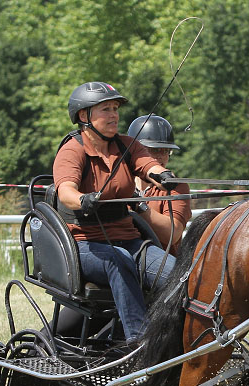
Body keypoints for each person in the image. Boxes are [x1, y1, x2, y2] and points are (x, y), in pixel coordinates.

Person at [52, 82, 178, 342]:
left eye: (116, 109)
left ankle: (177, 340)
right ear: (84, 116)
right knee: (118, 260)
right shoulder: (72, 150)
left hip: (130, 240)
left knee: (178, 275)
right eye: (105, 109)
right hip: (85, 245)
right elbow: (65, 191)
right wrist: (82, 199)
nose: (114, 115)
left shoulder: (126, 145)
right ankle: (138, 343)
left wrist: (162, 175)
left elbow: (147, 165)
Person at [126, 115, 192, 253]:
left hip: (161, 261)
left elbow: (172, 235)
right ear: (135, 150)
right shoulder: (120, 181)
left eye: (166, 150)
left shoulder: (177, 187)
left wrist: (138, 205)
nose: (161, 156)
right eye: (154, 149)